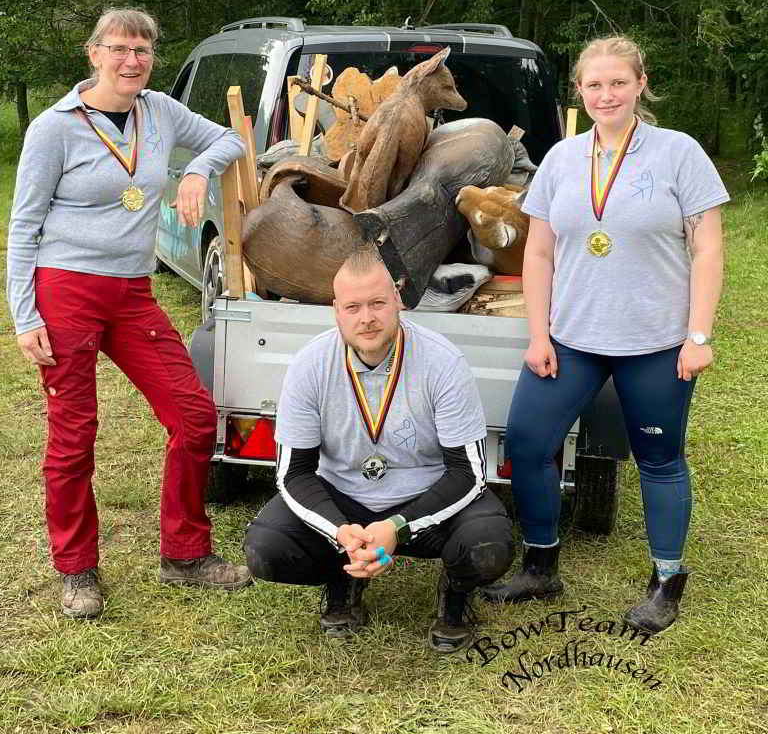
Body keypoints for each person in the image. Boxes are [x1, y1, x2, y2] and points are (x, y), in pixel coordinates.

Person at [6, 7, 252, 619]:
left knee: (194, 416)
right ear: (93, 54)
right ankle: (77, 570)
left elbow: (229, 138)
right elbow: (25, 224)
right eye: (118, 48)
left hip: (131, 293)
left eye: (142, 50)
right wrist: (24, 314)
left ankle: (185, 555)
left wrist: (196, 170)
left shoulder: (160, 111)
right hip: (67, 290)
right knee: (74, 435)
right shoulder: (54, 127)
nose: (131, 60)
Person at [481, 35, 729, 634]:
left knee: (658, 459)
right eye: (594, 85)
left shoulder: (678, 153)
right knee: (529, 443)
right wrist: (538, 335)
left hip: (655, 343)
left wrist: (698, 335)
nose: (606, 94)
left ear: (640, 85)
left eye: (618, 82)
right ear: (580, 92)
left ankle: (666, 580)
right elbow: (538, 253)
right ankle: (542, 566)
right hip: (572, 340)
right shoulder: (563, 158)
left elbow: (709, 246)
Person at [244, 246, 516, 653]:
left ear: (398, 299)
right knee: (267, 548)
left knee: (488, 544)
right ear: (336, 311)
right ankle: (344, 577)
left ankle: (455, 596)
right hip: (346, 505)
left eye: (377, 303)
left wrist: (398, 527)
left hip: (423, 499)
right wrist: (341, 532)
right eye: (352, 307)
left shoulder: (443, 361)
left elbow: (468, 472)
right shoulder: (309, 364)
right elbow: (293, 473)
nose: (366, 318)